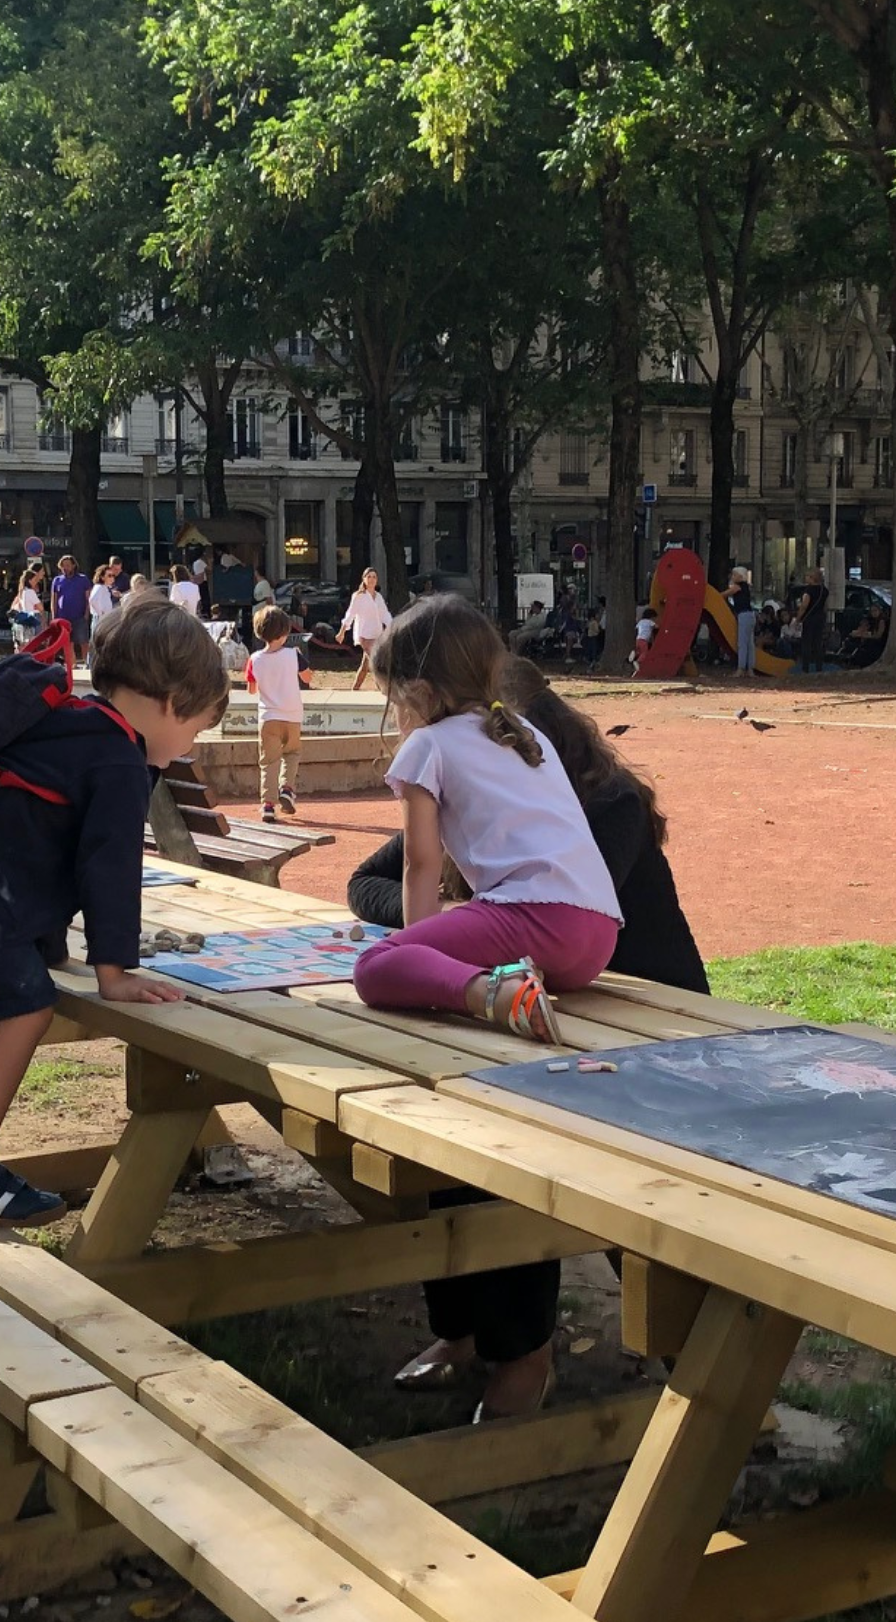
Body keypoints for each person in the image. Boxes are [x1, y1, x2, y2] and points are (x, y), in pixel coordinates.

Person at [353, 655, 705, 1417]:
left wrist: (452, 927)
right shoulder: (472, 782)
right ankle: (470, 1332)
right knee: (446, 1131)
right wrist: (450, 924)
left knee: (556, 1157)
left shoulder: (604, 804)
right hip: (532, 1013)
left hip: (647, 1024)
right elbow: (369, 881)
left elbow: (556, 919)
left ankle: (695, 1367)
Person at [0, 597, 229, 1225]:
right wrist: (115, 971)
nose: (188, 746)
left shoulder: (72, 718)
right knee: (25, 1005)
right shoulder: (119, 756)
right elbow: (108, 868)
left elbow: (34, 837)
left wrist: (44, 941)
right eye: (196, 729)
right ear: (172, 702)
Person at [350, 596, 621, 1046]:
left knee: (373, 967)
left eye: (393, 701)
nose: (395, 716)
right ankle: (511, 983)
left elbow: (421, 864)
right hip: (597, 935)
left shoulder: (428, 744)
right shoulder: (524, 733)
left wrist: (417, 957)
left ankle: (496, 993)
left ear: (421, 693)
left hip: (534, 916)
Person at [245, 605, 312, 822]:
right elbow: (308, 677)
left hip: (268, 717)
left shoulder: (254, 659)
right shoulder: (294, 655)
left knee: (268, 761)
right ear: (284, 633)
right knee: (291, 753)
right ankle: (287, 788)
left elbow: (252, 689)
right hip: (292, 715)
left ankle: (268, 805)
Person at [337, 568, 394, 689]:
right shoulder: (359, 596)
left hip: (377, 634)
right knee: (375, 660)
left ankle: (355, 688)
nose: (371, 579)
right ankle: (383, 688)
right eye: (369, 577)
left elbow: (385, 614)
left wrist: (393, 626)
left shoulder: (378, 597)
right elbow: (350, 614)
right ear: (364, 579)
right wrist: (342, 632)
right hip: (364, 635)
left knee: (365, 665)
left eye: (374, 577)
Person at [51, 554, 93, 657]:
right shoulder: (57, 580)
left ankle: (87, 663)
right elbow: (54, 600)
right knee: (68, 643)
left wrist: (86, 614)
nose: (65, 568)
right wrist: (54, 616)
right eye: (63, 566)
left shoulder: (83, 579)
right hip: (63, 617)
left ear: (73, 565)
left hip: (79, 617)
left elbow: (88, 598)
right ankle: (72, 664)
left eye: (68, 565)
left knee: (84, 642)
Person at [796, 566, 830, 673]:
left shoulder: (808, 590)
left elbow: (804, 606)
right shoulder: (824, 590)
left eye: (807, 576)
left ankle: (805, 668)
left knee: (807, 643)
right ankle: (819, 667)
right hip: (820, 618)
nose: (805, 578)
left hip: (809, 618)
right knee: (817, 643)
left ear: (812, 577)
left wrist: (798, 618)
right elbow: (825, 606)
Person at [728, 568, 757, 676]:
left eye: (734, 575)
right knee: (750, 643)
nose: (732, 577)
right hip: (750, 615)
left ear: (740, 577)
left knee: (742, 643)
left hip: (743, 615)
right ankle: (750, 668)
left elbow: (725, 594)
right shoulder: (746, 587)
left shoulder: (737, 586)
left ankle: (741, 668)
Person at [10, 567, 45, 647]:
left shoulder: (22, 592)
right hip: (34, 616)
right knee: (35, 641)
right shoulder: (30, 592)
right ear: (30, 581)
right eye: (35, 580)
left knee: (26, 641)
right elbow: (41, 607)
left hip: (25, 616)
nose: (36, 582)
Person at [631, 604, 656, 673]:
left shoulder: (641, 621)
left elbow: (636, 628)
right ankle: (637, 662)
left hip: (638, 639)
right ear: (651, 617)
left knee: (639, 652)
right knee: (644, 653)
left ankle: (634, 657)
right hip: (644, 640)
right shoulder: (650, 622)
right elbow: (656, 626)